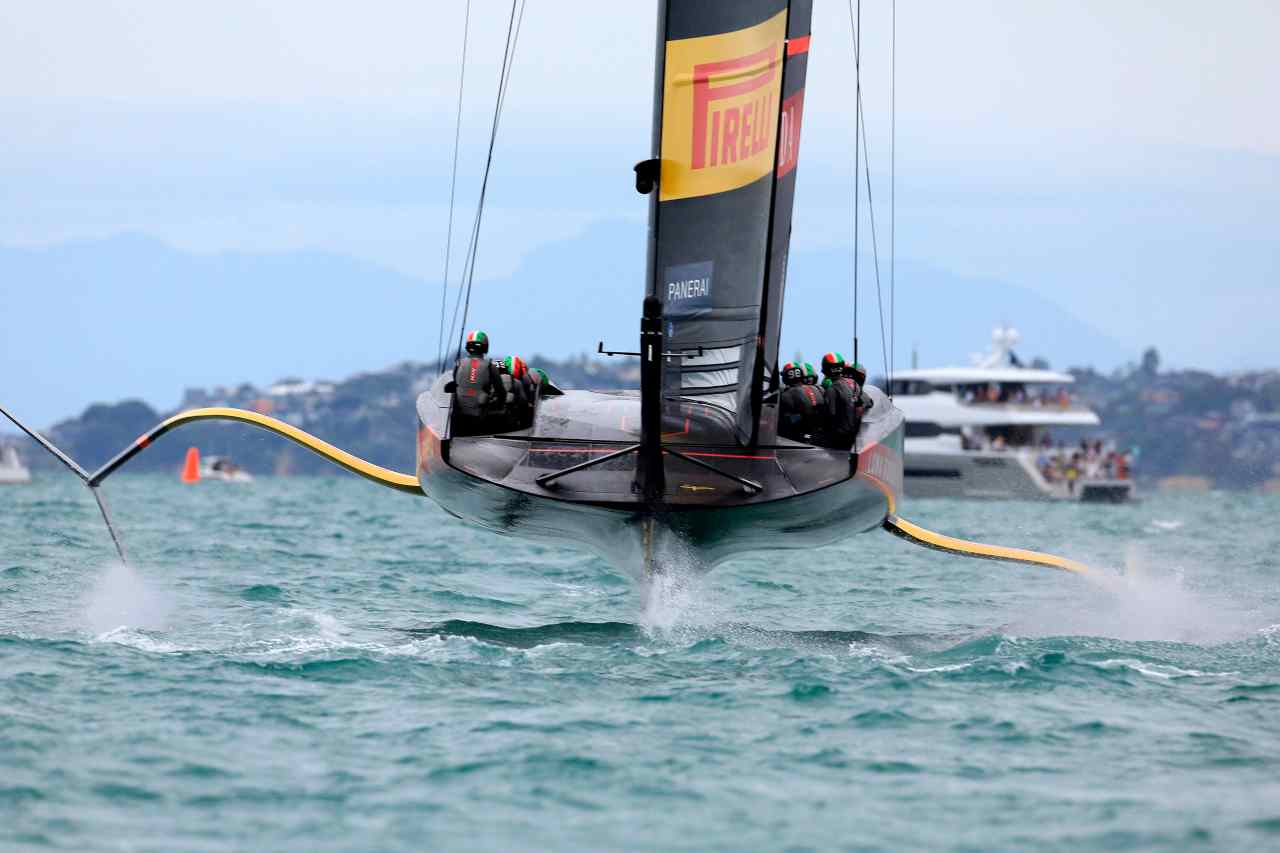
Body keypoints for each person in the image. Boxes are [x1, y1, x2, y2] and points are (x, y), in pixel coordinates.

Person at [452, 329, 505, 431]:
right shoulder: (490, 366)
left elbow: (455, 383)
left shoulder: (458, 364)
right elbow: (501, 392)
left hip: (458, 415)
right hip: (480, 417)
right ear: (485, 347)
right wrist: (500, 405)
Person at [821, 355, 863, 450]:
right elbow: (866, 403)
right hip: (857, 436)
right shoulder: (854, 383)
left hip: (840, 440)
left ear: (826, 370)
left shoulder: (832, 389)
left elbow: (830, 415)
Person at [779, 361, 825, 443]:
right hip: (820, 437)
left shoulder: (786, 395)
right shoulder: (819, 389)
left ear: (785, 378)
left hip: (800, 439)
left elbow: (789, 420)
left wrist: (801, 416)